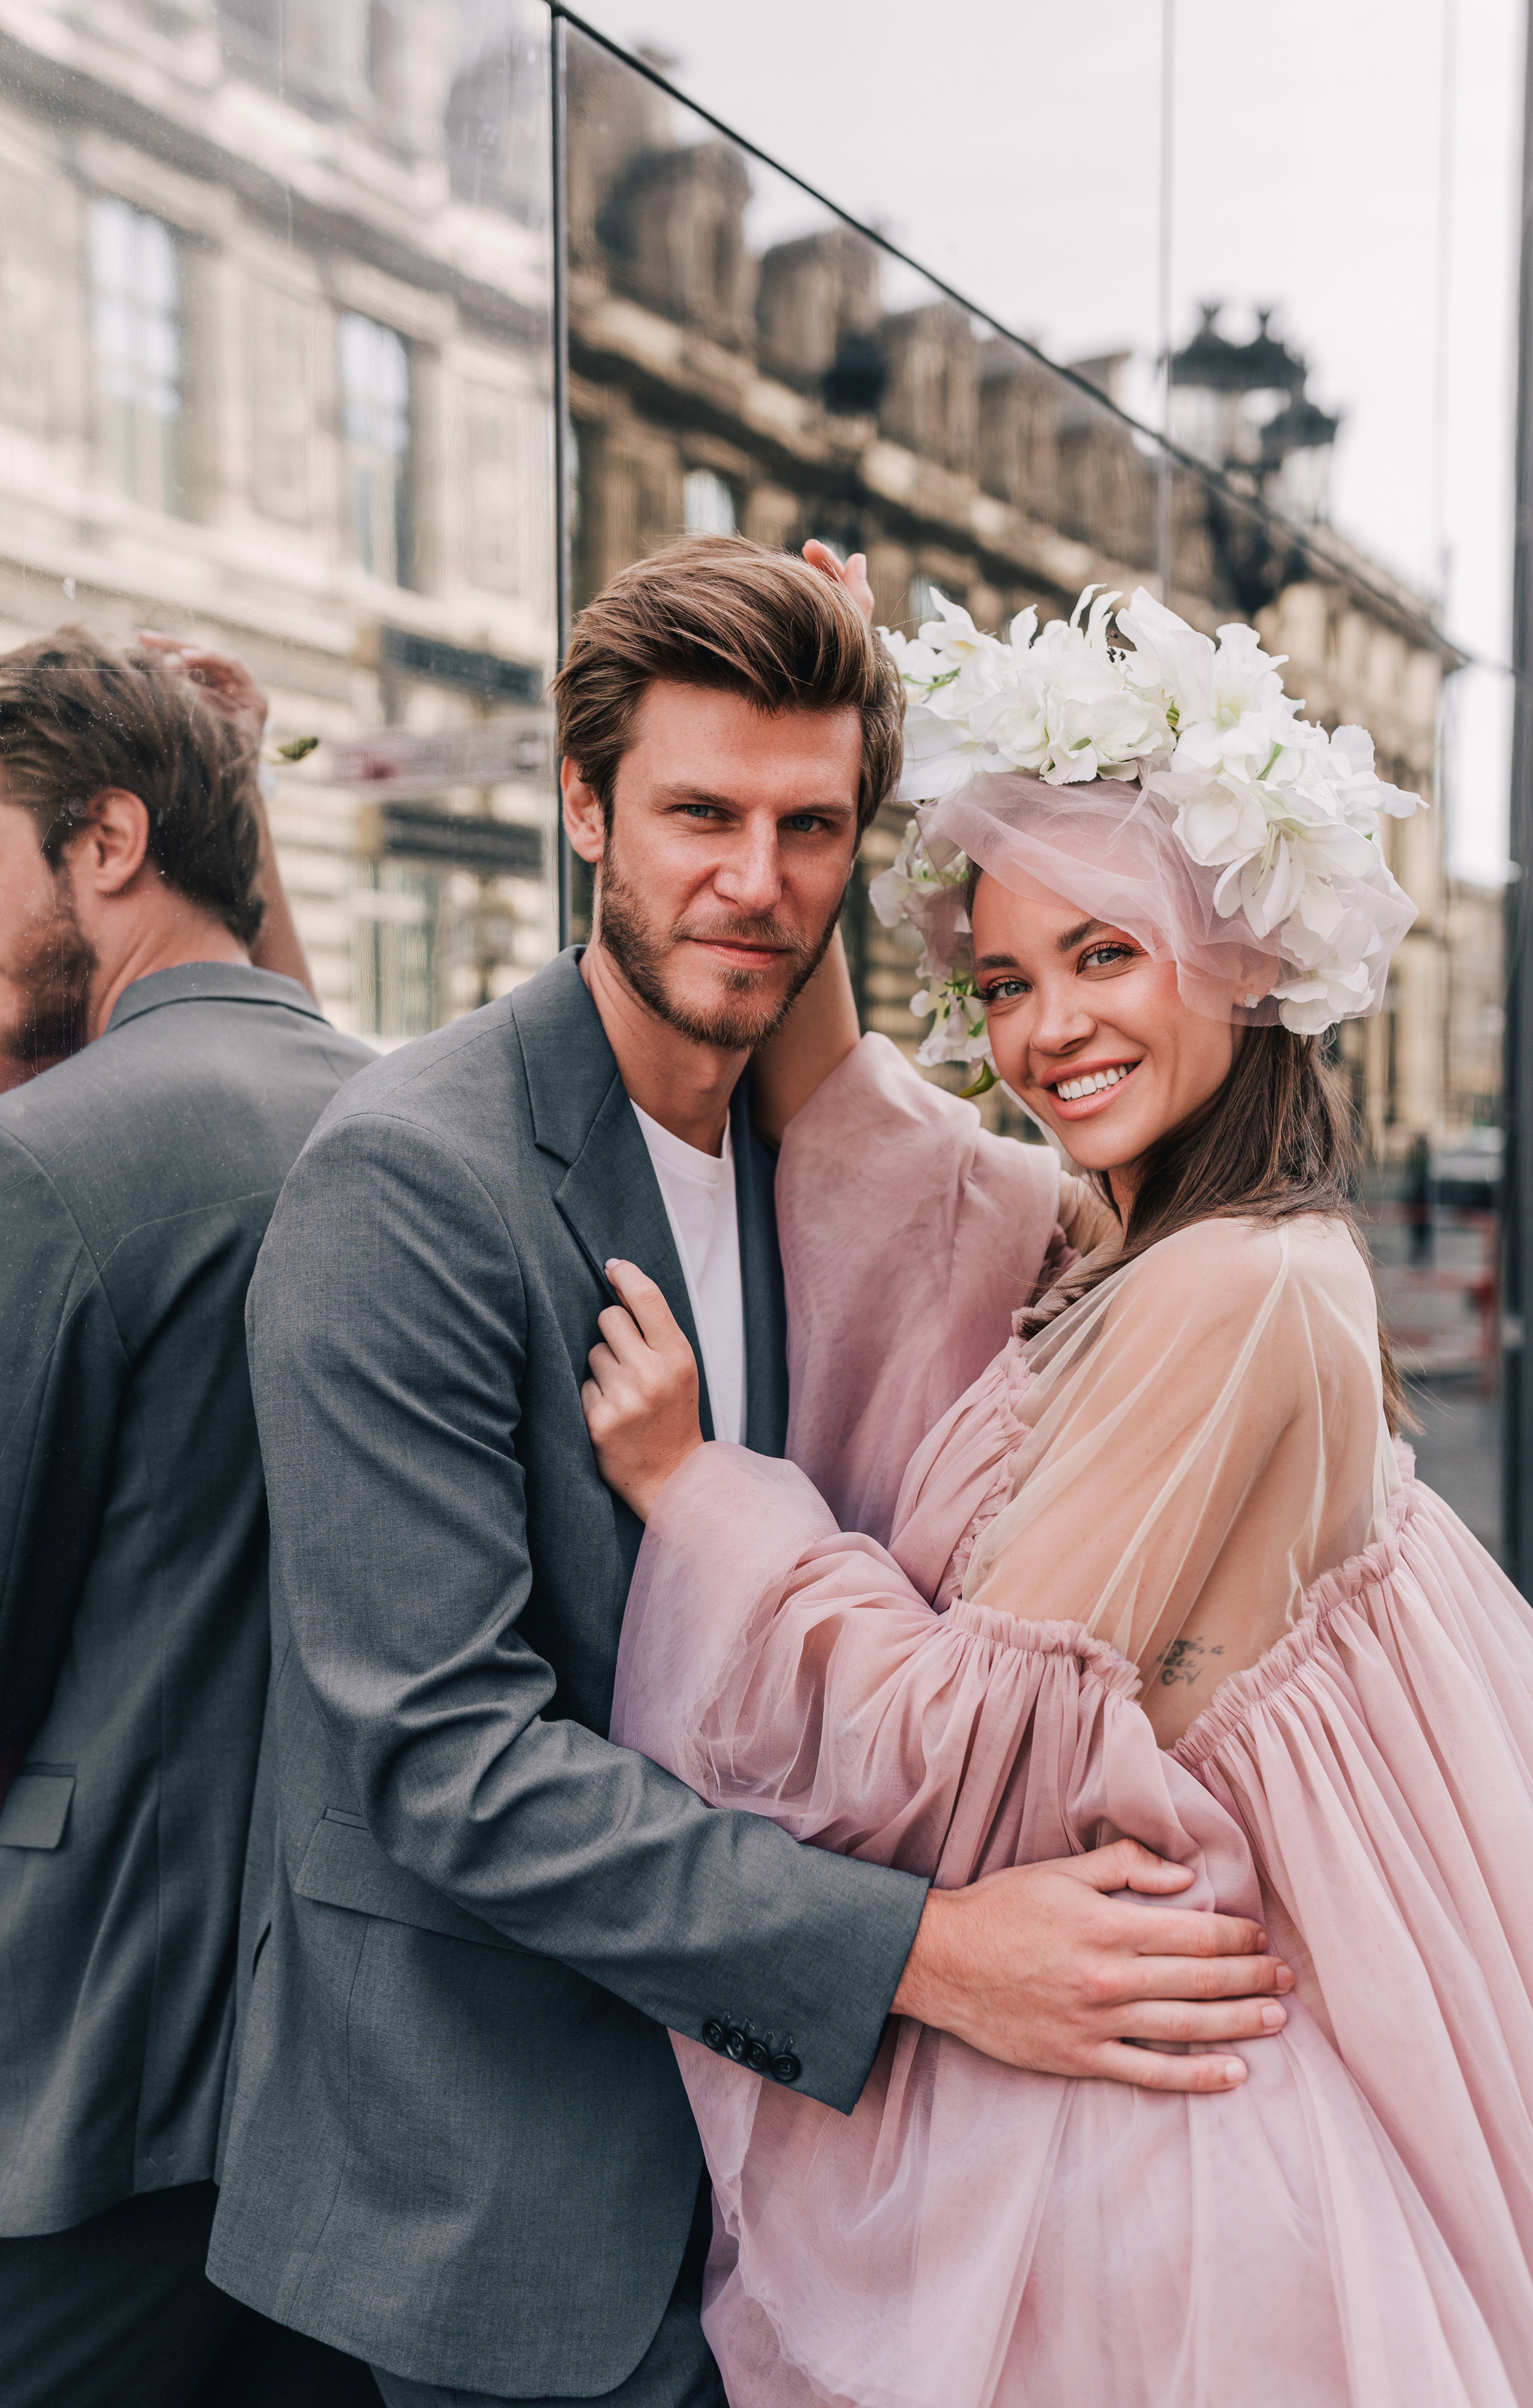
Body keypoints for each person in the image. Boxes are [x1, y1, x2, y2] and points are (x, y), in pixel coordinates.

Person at [207, 537, 1294, 2408]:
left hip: (810, 2191)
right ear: (581, 810)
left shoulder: (810, 1156)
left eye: (811, 827)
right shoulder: (411, 1184)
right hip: (533, 2193)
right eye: (699, 812)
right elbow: (451, 1768)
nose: (754, 880)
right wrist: (931, 1957)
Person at [584, 583, 1533, 2407]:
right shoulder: (1130, 1239)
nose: (1049, 1027)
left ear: (1234, 953)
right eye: (1004, 979)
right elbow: (852, 1119)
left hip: (1170, 2166)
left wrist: (697, 1491)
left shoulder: (1238, 1289)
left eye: (1106, 956)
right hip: (1166, 2087)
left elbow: (949, 1744)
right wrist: (850, 772)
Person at [0, 629, 379, 2407]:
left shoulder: (49, 1162)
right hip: (347, 2104)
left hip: (73, 2096)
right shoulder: (409, 1123)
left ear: (107, 843)